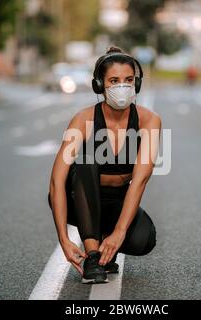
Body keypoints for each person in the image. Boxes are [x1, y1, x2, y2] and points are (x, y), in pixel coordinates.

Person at [48, 46, 161, 284]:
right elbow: (57, 181)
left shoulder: (149, 121)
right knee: (86, 162)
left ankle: (107, 247)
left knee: (144, 239)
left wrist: (119, 233)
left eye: (128, 80)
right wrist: (63, 239)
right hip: (79, 198)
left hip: (118, 201)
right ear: (100, 85)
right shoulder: (83, 119)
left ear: (136, 84)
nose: (123, 86)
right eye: (114, 80)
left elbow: (139, 180)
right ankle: (93, 255)